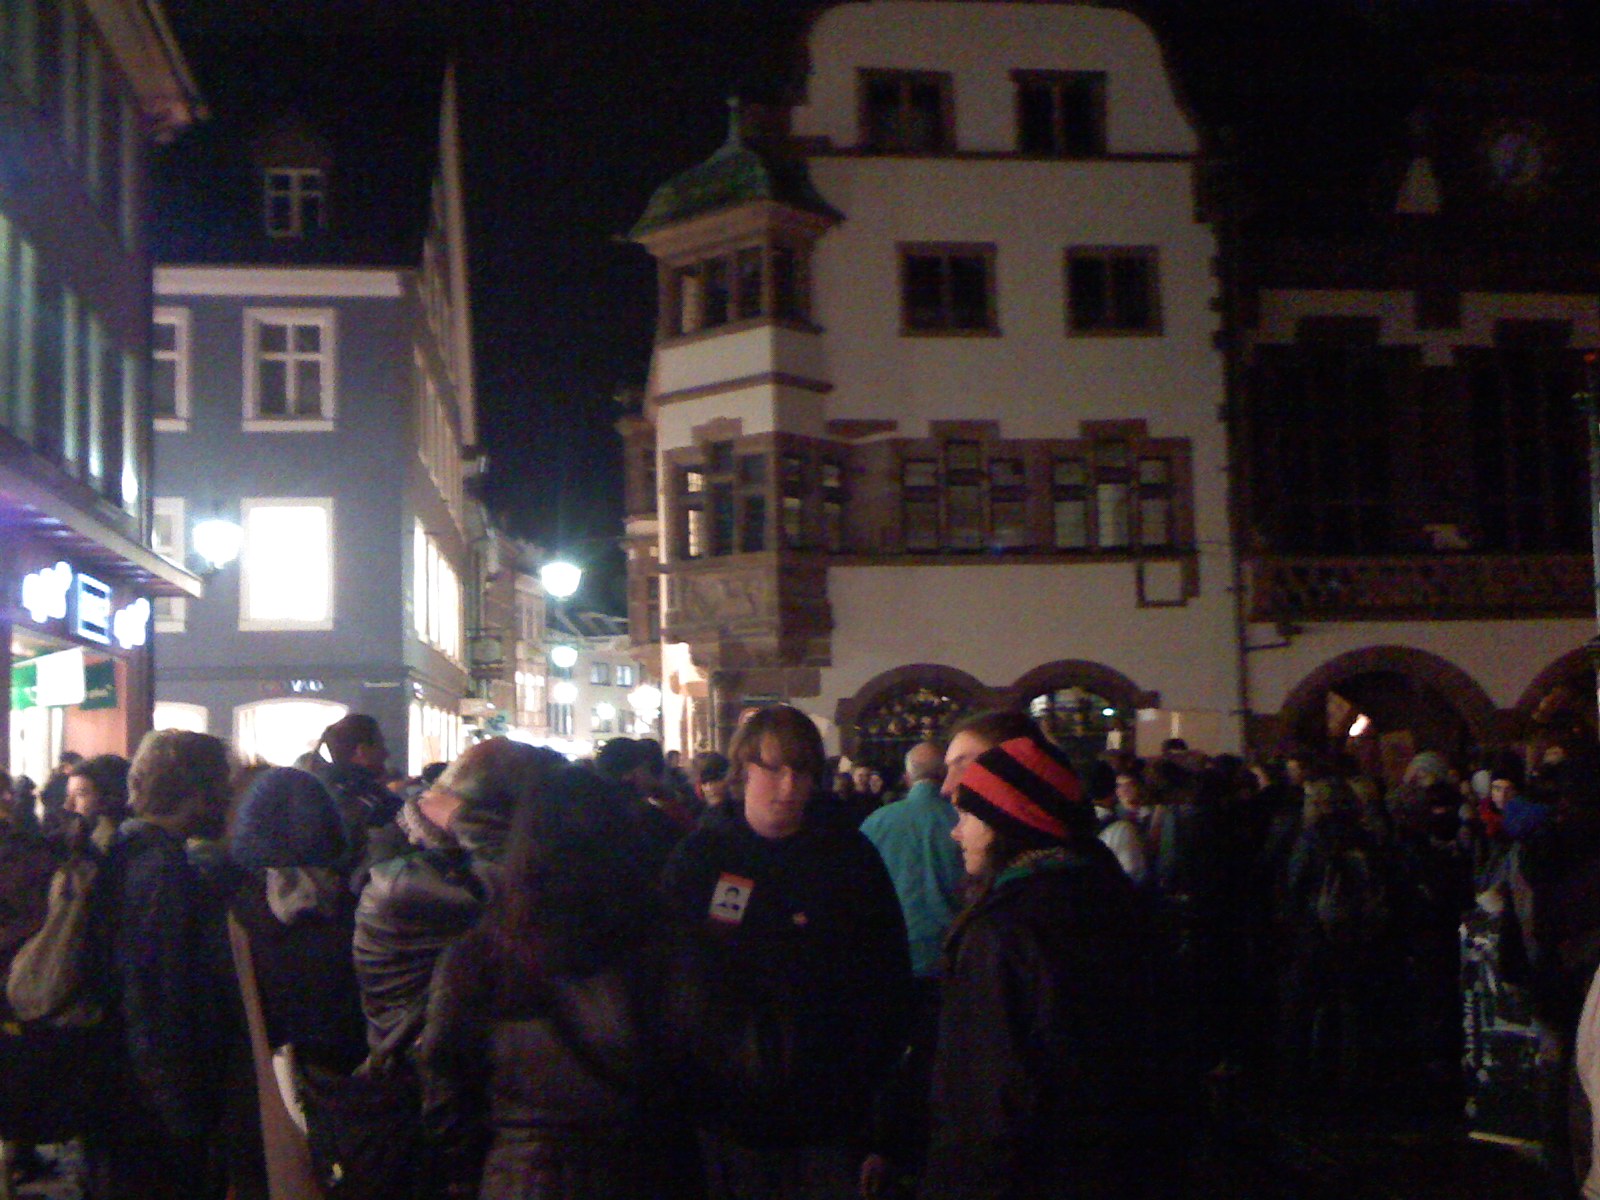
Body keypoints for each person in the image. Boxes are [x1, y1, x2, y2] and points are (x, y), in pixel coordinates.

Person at [419, 766, 705, 1199]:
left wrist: (479, 1167)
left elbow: (446, 1090)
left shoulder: (480, 956)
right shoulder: (661, 947)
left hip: (525, 1174)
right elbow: (700, 1069)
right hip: (646, 1168)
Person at [662, 705, 911, 1200]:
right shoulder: (702, 858)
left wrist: (882, 1116)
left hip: (832, 1105)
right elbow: (671, 978)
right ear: (744, 770)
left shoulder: (849, 857)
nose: (789, 786)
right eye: (774, 768)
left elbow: (886, 979)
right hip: (728, 1108)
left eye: (802, 771)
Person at [922, 735, 1173, 1200]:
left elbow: (988, 1093)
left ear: (1004, 822)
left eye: (968, 816)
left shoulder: (1003, 930)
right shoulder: (1109, 894)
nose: (956, 833)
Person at [89, 730, 239, 1200]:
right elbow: (153, 992)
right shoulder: (164, 872)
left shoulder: (124, 851)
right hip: (150, 1104)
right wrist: (177, 1105)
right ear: (197, 793)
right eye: (223, 785)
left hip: (121, 1090)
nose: (230, 798)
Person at [355, 738, 563, 1051]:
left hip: (470, 1055)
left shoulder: (419, 852)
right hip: (426, 1066)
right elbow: (527, 885)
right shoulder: (403, 880)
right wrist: (462, 820)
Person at [857, 742, 963, 1198]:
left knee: (893, 1065)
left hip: (892, 960)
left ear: (907, 776)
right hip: (946, 961)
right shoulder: (961, 822)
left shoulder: (878, 822)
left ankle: (889, 1152)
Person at [313, 714, 400, 869]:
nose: (386, 753)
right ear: (362, 751)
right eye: (380, 745)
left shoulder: (320, 790)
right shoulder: (373, 804)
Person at [65, 753, 132, 851]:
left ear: (109, 797)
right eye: (68, 795)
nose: (68, 806)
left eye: (80, 794)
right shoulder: (69, 837)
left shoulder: (132, 844)